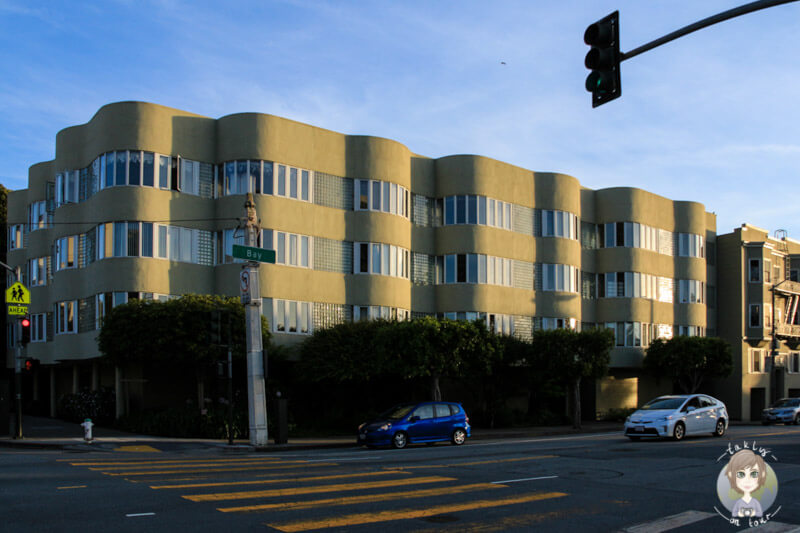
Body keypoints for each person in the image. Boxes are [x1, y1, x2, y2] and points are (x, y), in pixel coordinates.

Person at [725, 449, 767, 518]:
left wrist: (754, 512)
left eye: (754, 474)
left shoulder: (755, 502)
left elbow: (759, 513)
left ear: (762, 474)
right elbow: (734, 513)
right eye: (741, 474)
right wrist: (739, 513)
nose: (747, 480)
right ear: (730, 475)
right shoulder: (739, 502)